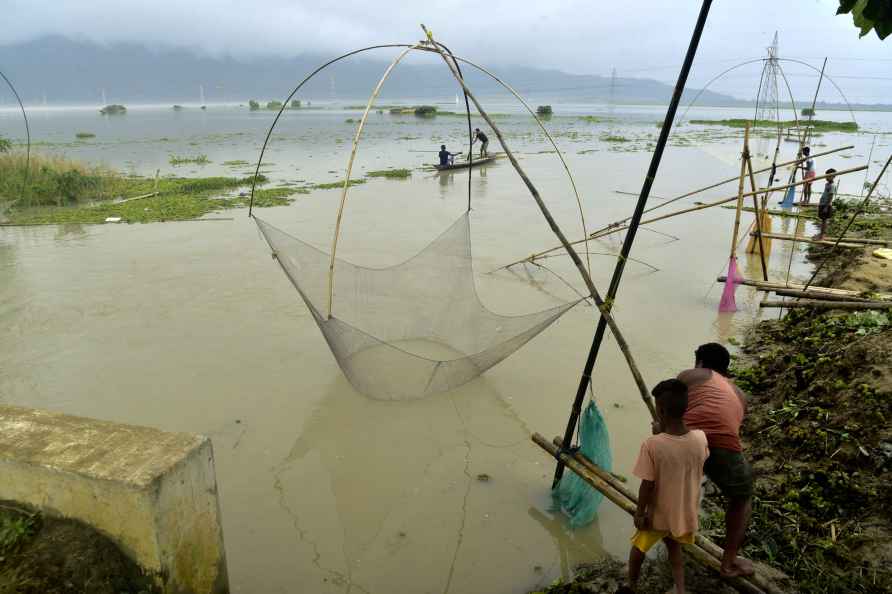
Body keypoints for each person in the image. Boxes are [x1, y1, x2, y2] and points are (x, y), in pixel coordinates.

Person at [618, 379, 709, 594]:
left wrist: (640, 513)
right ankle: (680, 588)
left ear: (660, 410)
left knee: (639, 547)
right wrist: (663, 434)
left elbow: (647, 484)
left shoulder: (652, 445)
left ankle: (631, 584)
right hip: (683, 512)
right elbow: (684, 457)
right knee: (674, 546)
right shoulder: (700, 438)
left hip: (658, 515)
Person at [675, 342, 754, 578]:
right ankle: (728, 563)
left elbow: (670, 405)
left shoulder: (691, 375)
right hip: (722, 445)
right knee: (742, 498)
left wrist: (661, 430)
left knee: (674, 491)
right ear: (726, 369)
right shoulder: (740, 394)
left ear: (699, 362)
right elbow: (728, 427)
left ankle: (662, 540)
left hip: (687, 438)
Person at [816, 168, 837, 240]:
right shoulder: (827, 184)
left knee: (825, 220)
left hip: (826, 205)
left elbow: (830, 197)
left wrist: (826, 207)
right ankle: (821, 234)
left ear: (833, 176)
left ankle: (823, 235)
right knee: (822, 219)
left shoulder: (832, 186)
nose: (826, 177)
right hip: (822, 204)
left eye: (827, 176)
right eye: (826, 176)